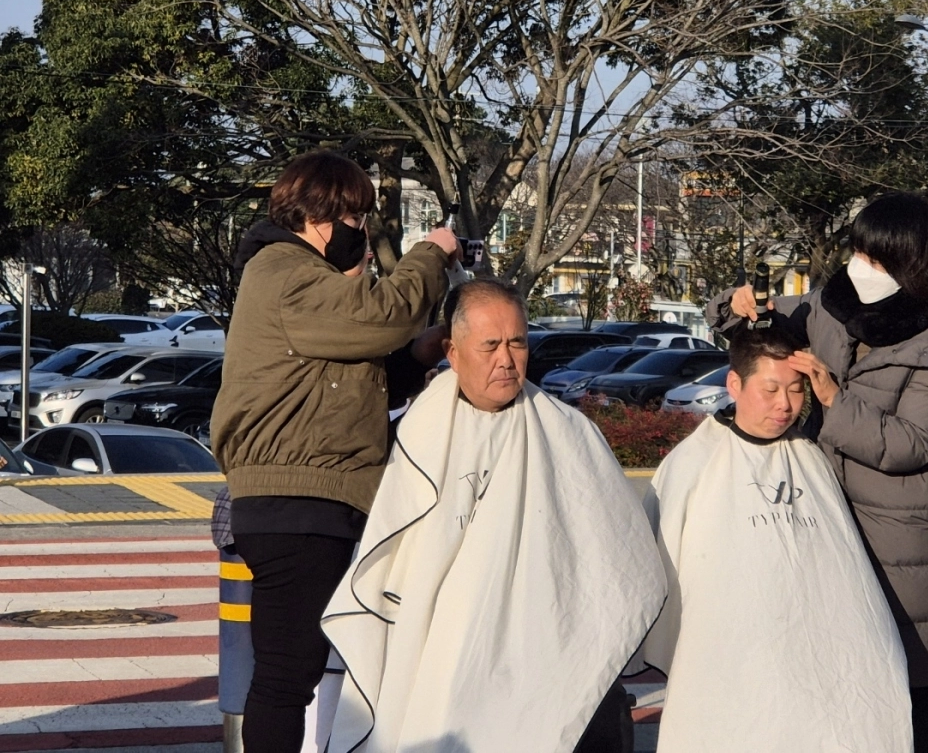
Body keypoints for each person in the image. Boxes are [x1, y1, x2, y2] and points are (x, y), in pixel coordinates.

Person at [321, 278, 666, 753]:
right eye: (490, 345)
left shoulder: (569, 433)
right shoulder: (412, 438)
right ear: (453, 351)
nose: (506, 359)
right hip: (444, 645)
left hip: (546, 640)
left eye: (517, 342)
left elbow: (617, 550)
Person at [707, 191, 928, 753]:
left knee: (895, 669)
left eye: (875, 257)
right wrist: (732, 308)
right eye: (858, 250)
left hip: (896, 523)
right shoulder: (834, 302)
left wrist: (833, 400)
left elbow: (912, 443)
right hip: (820, 504)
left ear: (912, 262)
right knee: (823, 658)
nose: (861, 266)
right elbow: (759, 326)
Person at [211, 150, 461, 753]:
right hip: (298, 500)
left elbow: (354, 376)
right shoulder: (286, 272)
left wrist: (424, 353)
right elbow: (382, 314)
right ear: (320, 214)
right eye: (356, 218)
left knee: (291, 671)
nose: (363, 234)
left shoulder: (296, 279)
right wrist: (435, 254)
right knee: (286, 676)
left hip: (310, 497)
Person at [640, 323, 912, 752]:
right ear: (735, 384)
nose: (785, 405)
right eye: (770, 389)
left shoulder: (810, 458)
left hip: (816, 652)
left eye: (796, 390)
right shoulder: (693, 463)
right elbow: (659, 567)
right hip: (727, 655)